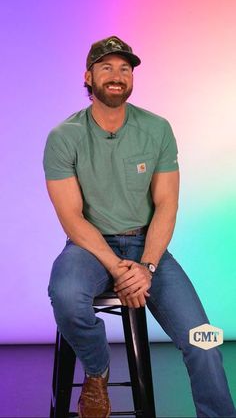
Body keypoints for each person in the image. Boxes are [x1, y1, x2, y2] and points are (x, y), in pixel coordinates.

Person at [43, 36, 236, 418]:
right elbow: (73, 218)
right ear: (88, 76)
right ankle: (97, 373)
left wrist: (146, 267)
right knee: (64, 296)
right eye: (107, 67)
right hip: (90, 248)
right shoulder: (64, 137)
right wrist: (116, 268)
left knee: (206, 340)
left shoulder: (157, 128)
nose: (117, 76)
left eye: (125, 69)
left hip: (147, 249)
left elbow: (167, 204)